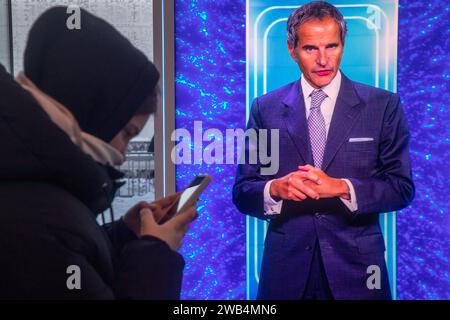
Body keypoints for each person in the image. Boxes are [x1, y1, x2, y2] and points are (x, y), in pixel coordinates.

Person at [0, 7, 196, 299]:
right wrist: (156, 255)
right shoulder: (33, 222)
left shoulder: (31, 184)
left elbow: (73, 264)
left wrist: (125, 235)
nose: (123, 153)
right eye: (128, 133)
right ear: (92, 110)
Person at [233, 1, 414, 300]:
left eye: (331, 46)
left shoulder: (383, 106)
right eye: (310, 49)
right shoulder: (265, 109)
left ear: (344, 44)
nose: (323, 60)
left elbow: (402, 188)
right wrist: (275, 189)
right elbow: (242, 192)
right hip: (285, 272)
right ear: (292, 49)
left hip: (359, 270)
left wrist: (342, 188)